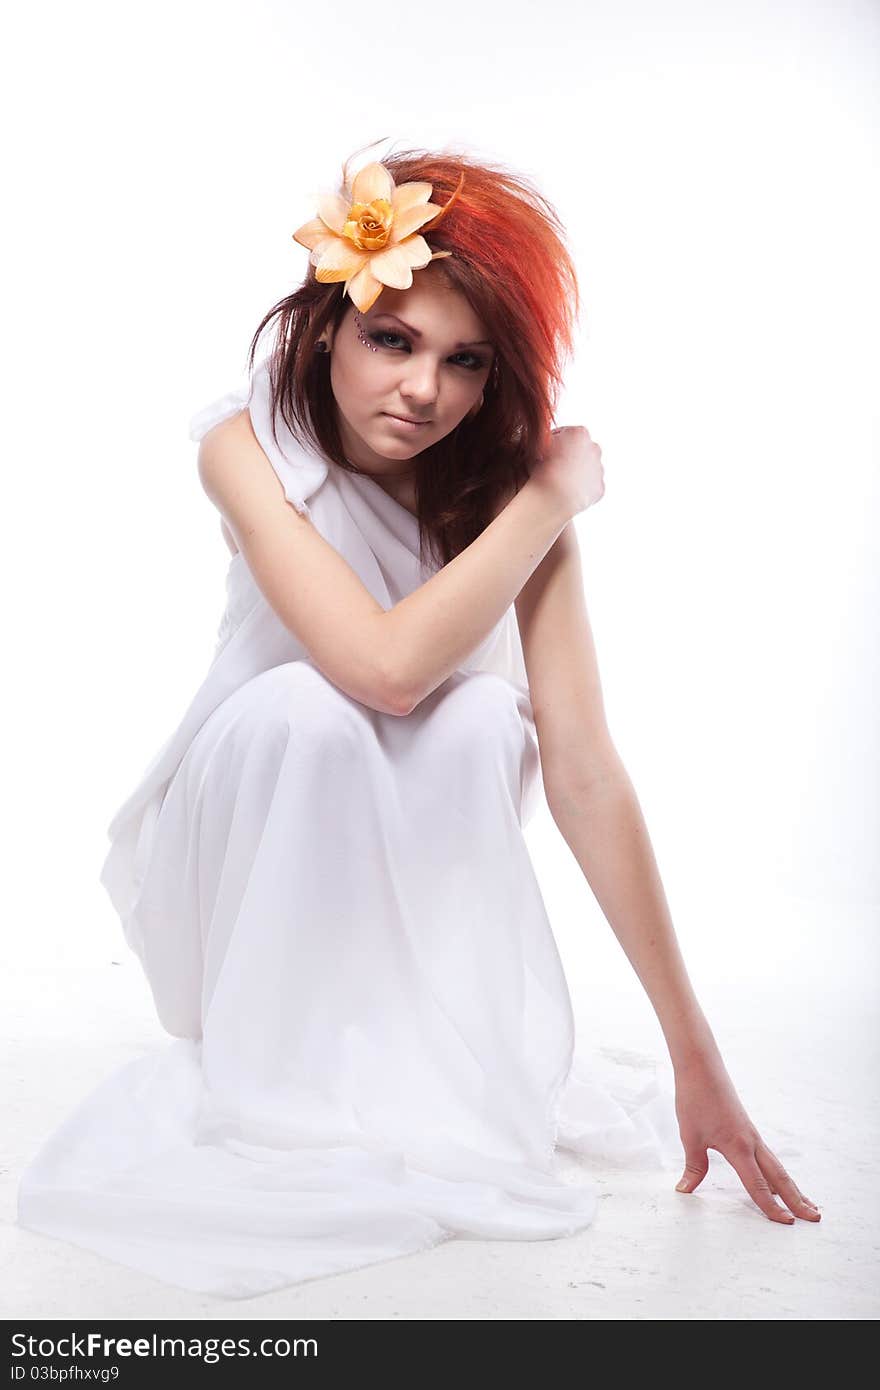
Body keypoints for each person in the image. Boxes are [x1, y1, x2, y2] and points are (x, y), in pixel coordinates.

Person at [16, 142, 819, 1301]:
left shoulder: (496, 499)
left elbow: (584, 771)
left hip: (398, 884)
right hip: (234, 876)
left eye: (465, 362)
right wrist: (551, 494)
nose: (422, 391)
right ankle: (282, 1085)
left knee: (489, 720)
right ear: (328, 325)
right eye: (393, 339)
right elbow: (379, 670)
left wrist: (697, 1053)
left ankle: (405, 1066)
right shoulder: (245, 448)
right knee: (313, 705)